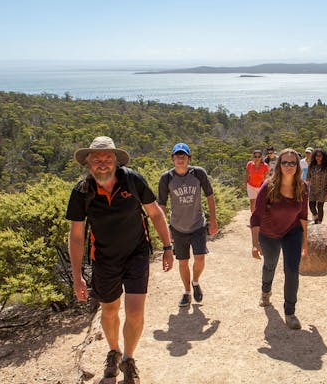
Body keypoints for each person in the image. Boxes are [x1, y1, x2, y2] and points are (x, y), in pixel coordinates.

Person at [66, 136, 174, 384]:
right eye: (97, 160)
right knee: (110, 309)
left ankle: (128, 358)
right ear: (88, 163)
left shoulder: (132, 180)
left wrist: (168, 246)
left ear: (115, 161)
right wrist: (76, 275)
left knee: (135, 312)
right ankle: (113, 351)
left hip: (136, 253)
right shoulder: (82, 192)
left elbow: (155, 213)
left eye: (107, 158)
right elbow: (77, 235)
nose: (102, 163)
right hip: (104, 259)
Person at [250, 148, 309, 330]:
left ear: (297, 166)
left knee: (292, 270)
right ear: (279, 165)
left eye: (293, 163)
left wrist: (305, 242)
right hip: (269, 232)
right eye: (285, 163)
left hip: (292, 231)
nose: (289, 166)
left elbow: (304, 216)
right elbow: (256, 216)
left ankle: (290, 312)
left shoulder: (303, 187)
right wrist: (254, 243)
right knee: (270, 264)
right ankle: (266, 291)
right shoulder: (268, 186)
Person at [158, 143, 218, 307]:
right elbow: (161, 205)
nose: (180, 158)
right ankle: (187, 292)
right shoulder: (166, 178)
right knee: (183, 262)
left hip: (198, 225)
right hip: (177, 228)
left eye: (183, 155)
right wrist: (165, 230)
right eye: (177, 156)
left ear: (188, 158)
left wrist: (213, 220)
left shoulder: (198, 173)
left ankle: (196, 281)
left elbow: (210, 196)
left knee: (200, 259)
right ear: (172, 159)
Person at [306, 148, 327, 224]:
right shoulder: (311, 166)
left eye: (320, 156)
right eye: (316, 155)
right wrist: (305, 189)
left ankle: (319, 222)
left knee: (320, 206)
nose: (318, 157)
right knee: (311, 205)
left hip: (323, 190)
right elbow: (308, 178)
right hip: (313, 189)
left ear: (324, 157)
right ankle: (315, 216)